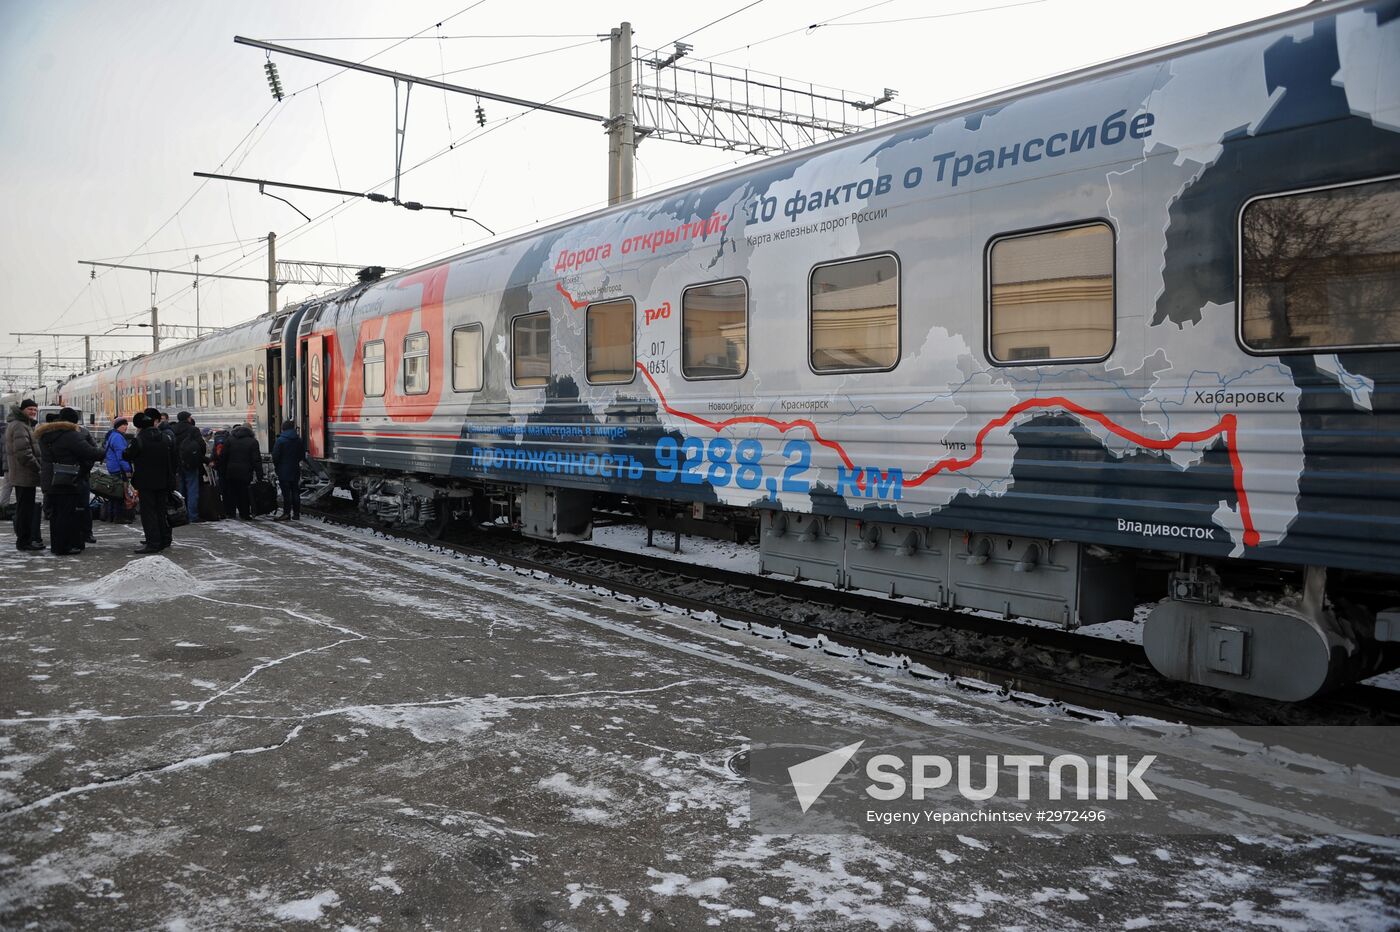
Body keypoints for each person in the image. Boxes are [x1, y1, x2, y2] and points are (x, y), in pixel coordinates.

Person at [34, 407, 102, 555]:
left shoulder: (46, 434)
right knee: (66, 513)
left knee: (56, 514)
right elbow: (89, 452)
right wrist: (106, 452)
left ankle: (57, 546)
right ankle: (64, 547)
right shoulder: (70, 435)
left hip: (50, 478)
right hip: (66, 479)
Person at [124, 410, 176, 553]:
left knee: (149, 513)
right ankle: (165, 539)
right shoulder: (165, 438)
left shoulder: (139, 440)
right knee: (161, 510)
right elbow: (173, 457)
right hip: (164, 480)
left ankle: (153, 543)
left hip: (146, 482)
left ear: (139, 427)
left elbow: (127, 455)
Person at [5, 398, 43, 551]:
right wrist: (38, 467)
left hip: (23, 475)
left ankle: (24, 540)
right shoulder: (20, 427)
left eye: (34, 409)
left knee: (24, 508)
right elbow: (24, 453)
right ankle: (24, 541)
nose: (33, 412)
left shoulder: (20, 424)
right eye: (30, 409)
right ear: (22, 410)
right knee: (25, 510)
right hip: (24, 474)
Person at [222, 423, 264, 520]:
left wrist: (223, 471)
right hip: (245, 472)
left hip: (231, 471)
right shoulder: (253, 442)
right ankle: (244, 514)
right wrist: (259, 475)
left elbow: (224, 456)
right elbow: (256, 460)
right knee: (244, 493)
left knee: (231, 492)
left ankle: (230, 513)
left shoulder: (229, 440)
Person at [173, 411, 206, 523]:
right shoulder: (193, 429)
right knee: (192, 488)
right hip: (191, 463)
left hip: (178, 463)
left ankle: (182, 513)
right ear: (188, 418)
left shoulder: (174, 429)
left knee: (181, 490)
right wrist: (201, 458)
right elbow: (201, 445)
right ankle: (193, 515)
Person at [271, 419, 305, 521]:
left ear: (283, 428)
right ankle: (296, 514)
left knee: (286, 493)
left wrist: (277, 466)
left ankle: (286, 513)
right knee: (295, 491)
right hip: (295, 469)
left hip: (283, 469)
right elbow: (302, 455)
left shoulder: (280, 440)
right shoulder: (298, 440)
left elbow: (275, 456)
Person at [102, 417, 133, 522]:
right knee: (119, 494)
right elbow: (122, 456)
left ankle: (111, 515)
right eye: (123, 425)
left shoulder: (113, 435)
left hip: (113, 467)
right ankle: (119, 516)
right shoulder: (118, 438)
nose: (126, 427)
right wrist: (127, 469)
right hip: (118, 468)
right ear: (117, 426)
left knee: (114, 493)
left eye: (126, 425)